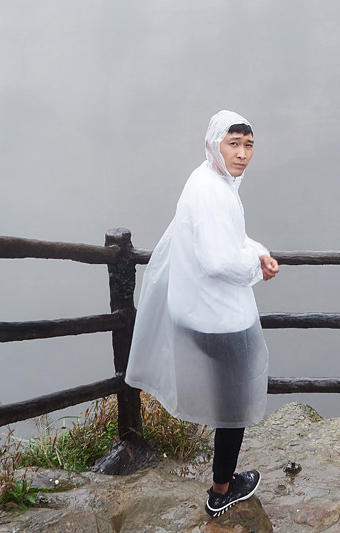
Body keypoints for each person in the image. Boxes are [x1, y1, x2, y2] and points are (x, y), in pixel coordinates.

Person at [125, 109, 279, 516]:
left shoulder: (207, 180)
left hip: (194, 313)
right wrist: (256, 270)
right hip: (219, 319)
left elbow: (231, 237)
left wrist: (258, 250)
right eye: (234, 143)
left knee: (224, 399)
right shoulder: (212, 191)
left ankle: (221, 480)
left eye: (248, 145)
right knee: (233, 407)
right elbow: (217, 259)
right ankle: (221, 490)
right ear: (213, 144)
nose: (243, 154)